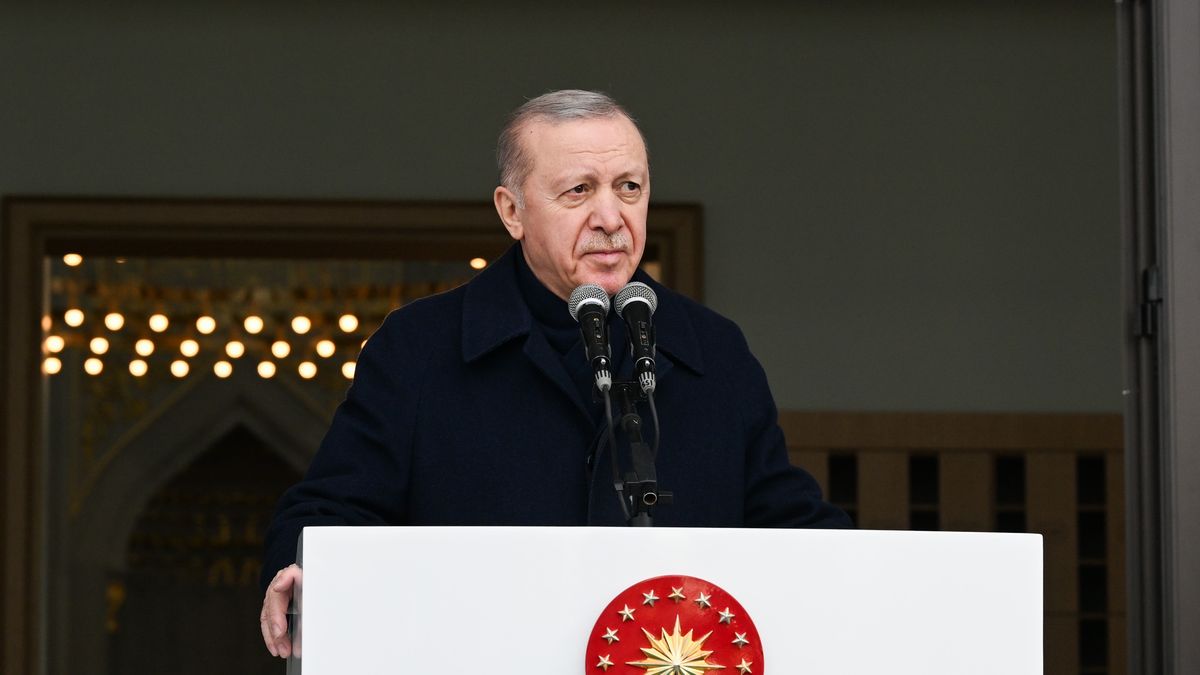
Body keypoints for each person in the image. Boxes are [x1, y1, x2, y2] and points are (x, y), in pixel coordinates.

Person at [258, 89, 850, 658]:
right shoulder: (420, 348)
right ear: (512, 211)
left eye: (629, 187)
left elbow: (786, 521)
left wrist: (869, 577)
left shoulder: (714, 351)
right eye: (578, 190)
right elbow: (332, 510)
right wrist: (301, 572)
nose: (611, 217)